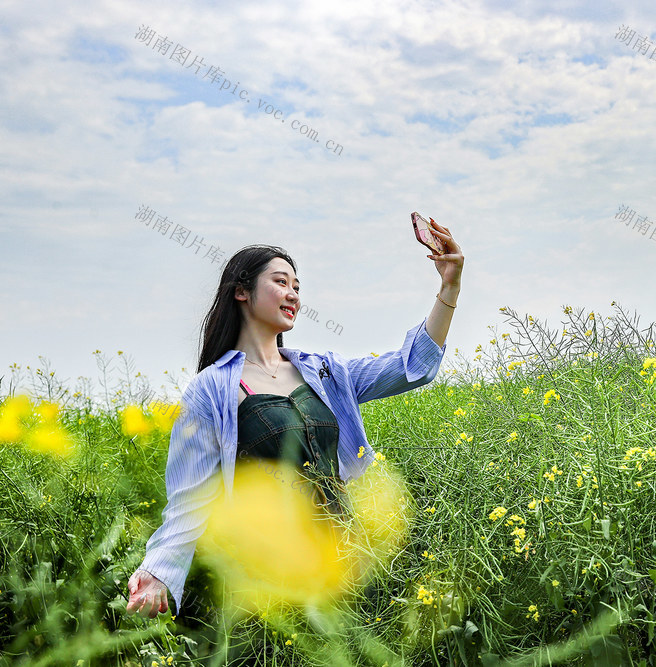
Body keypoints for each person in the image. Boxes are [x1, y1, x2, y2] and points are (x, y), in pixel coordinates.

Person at [125, 219, 463, 619]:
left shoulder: (324, 372)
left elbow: (413, 367)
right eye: (281, 282)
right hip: (269, 575)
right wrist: (158, 571)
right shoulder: (211, 390)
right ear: (241, 292)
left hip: (346, 561)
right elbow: (188, 497)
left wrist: (450, 288)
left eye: (297, 288)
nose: (293, 295)